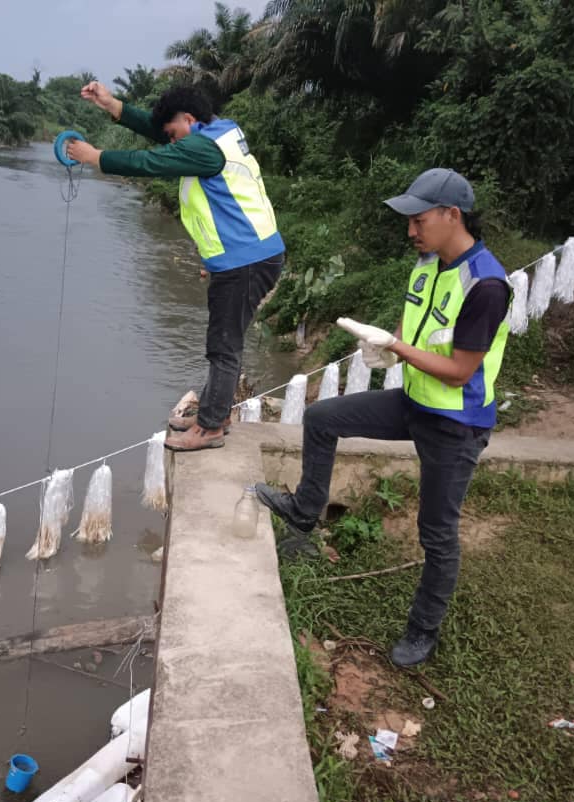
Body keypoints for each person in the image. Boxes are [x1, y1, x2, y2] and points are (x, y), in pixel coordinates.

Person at [255, 169, 511, 668]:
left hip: (454, 424)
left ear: (451, 215)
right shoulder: (427, 265)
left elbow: (460, 371)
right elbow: (411, 324)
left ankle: (423, 630)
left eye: (418, 220)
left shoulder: (486, 285)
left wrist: (397, 348)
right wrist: (388, 348)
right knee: (323, 418)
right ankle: (305, 511)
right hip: (414, 402)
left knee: (436, 531)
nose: (410, 231)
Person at [67, 82, 285, 452]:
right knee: (225, 341)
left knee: (223, 345)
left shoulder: (205, 149)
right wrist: (112, 105)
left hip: (244, 261)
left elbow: (150, 161)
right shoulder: (219, 131)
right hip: (247, 255)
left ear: (189, 119)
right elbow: (162, 133)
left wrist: (95, 157)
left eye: (172, 133)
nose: (170, 142)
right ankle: (215, 413)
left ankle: (211, 427)